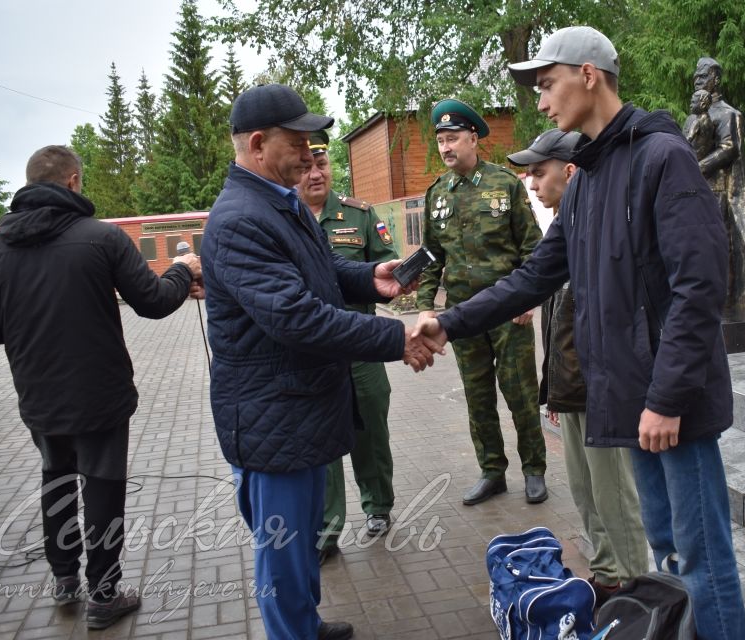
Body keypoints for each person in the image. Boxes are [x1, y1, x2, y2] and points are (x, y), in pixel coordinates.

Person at [415, 27, 745, 639]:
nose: (540, 102)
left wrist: (667, 398)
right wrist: (447, 321)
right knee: (669, 556)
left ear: (588, 75)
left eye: (547, 85)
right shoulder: (589, 180)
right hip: (632, 409)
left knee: (704, 562)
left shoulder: (662, 158)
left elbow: (700, 289)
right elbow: (534, 276)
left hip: (674, 410)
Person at [201, 84, 441, 640]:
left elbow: (319, 270)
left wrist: (369, 277)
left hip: (298, 409)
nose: (311, 153)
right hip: (272, 417)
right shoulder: (240, 218)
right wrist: (395, 339)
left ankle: (305, 625)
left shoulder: (276, 202)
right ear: (259, 144)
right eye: (300, 141)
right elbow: (297, 317)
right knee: (283, 554)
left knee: (302, 539)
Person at [0, 145, 202, 630]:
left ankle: (64, 581)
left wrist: (28, 326)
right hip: (99, 392)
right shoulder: (102, 239)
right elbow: (155, 303)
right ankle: (104, 594)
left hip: (37, 393)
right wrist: (185, 270)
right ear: (74, 181)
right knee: (102, 487)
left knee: (54, 477)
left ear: (29, 184)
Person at [508, 129, 651, 602]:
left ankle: (636, 594)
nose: (530, 183)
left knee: (615, 496)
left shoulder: (602, 228)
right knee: (586, 493)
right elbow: (559, 325)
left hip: (602, 392)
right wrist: (553, 390)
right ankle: (609, 576)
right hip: (572, 391)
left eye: (538, 171)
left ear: (570, 172)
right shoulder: (564, 232)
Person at [417, 98, 547, 506]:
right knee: (478, 397)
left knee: (521, 393)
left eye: (453, 138)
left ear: (474, 138)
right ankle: (493, 472)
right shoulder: (437, 193)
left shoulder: (505, 184)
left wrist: (529, 299)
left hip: (509, 312)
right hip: (462, 316)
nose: (446, 147)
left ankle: (534, 470)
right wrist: (425, 305)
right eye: (440, 140)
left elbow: (533, 248)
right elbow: (430, 256)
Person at [298, 130, 398, 564]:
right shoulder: (287, 221)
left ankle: (378, 506)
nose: (316, 174)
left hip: (361, 346)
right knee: (322, 438)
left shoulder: (358, 215)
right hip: (315, 351)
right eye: (307, 166)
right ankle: (326, 528)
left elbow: (384, 263)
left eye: (322, 164)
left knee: (370, 432)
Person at [692, 57, 745, 317]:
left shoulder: (729, 114)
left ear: (716, 79)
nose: (697, 80)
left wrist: (699, 167)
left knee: (723, 246)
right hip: (702, 190)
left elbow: (730, 149)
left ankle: (725, 299)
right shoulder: (697, 114)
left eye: (703, 76)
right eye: (695, 76)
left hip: (722, 191)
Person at [683, 89, 715, 161]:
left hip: (692, 158)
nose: (690, 105)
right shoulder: (710, 122)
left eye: (693, 102)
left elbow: (687, 140)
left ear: (703, 105)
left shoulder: (697, 122)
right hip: (703, 157)